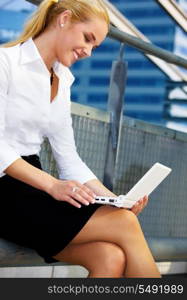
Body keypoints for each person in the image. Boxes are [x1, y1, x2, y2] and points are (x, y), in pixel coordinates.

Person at [0, 0, 161, 278]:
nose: (87, 52)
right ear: (64, 19)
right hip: (5, 189)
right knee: (124, 224)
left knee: (109, 257)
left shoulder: (63, 80)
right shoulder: (5, 62)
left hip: (33, 187)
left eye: (94, 47)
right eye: (87, 39)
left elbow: (69, 157)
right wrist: (53, 185)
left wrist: (115, 200)